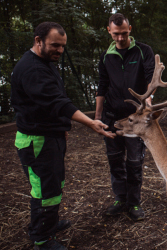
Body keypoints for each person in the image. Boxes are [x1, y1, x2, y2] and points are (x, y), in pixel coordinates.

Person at [11, 22, 115, 250]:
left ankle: (49, 223)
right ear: (38, 40)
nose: (59, 50)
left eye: (62, 46)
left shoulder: (45, 61)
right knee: (44, 189)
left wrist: (61, 129)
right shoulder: (33, 69)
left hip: (49, 136)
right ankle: (42, 238)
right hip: (37, 141)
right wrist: (90, 122)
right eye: (54, 45)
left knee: (53, 184)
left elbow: (52, 101)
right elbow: (57, 102)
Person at [95, 13, 155, 221]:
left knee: (135, 161)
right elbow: (102, 84)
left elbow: (150, 77)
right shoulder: (105, 56)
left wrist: (148, 100)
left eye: (123, 33)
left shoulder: (143, 51)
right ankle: (120, 199)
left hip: (134, 120)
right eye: (115, 34)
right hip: (111, 117)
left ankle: (134, 203)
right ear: (108, 31)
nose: (120, 38)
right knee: (114, 160)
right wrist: (97, 116)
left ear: (130, 29)